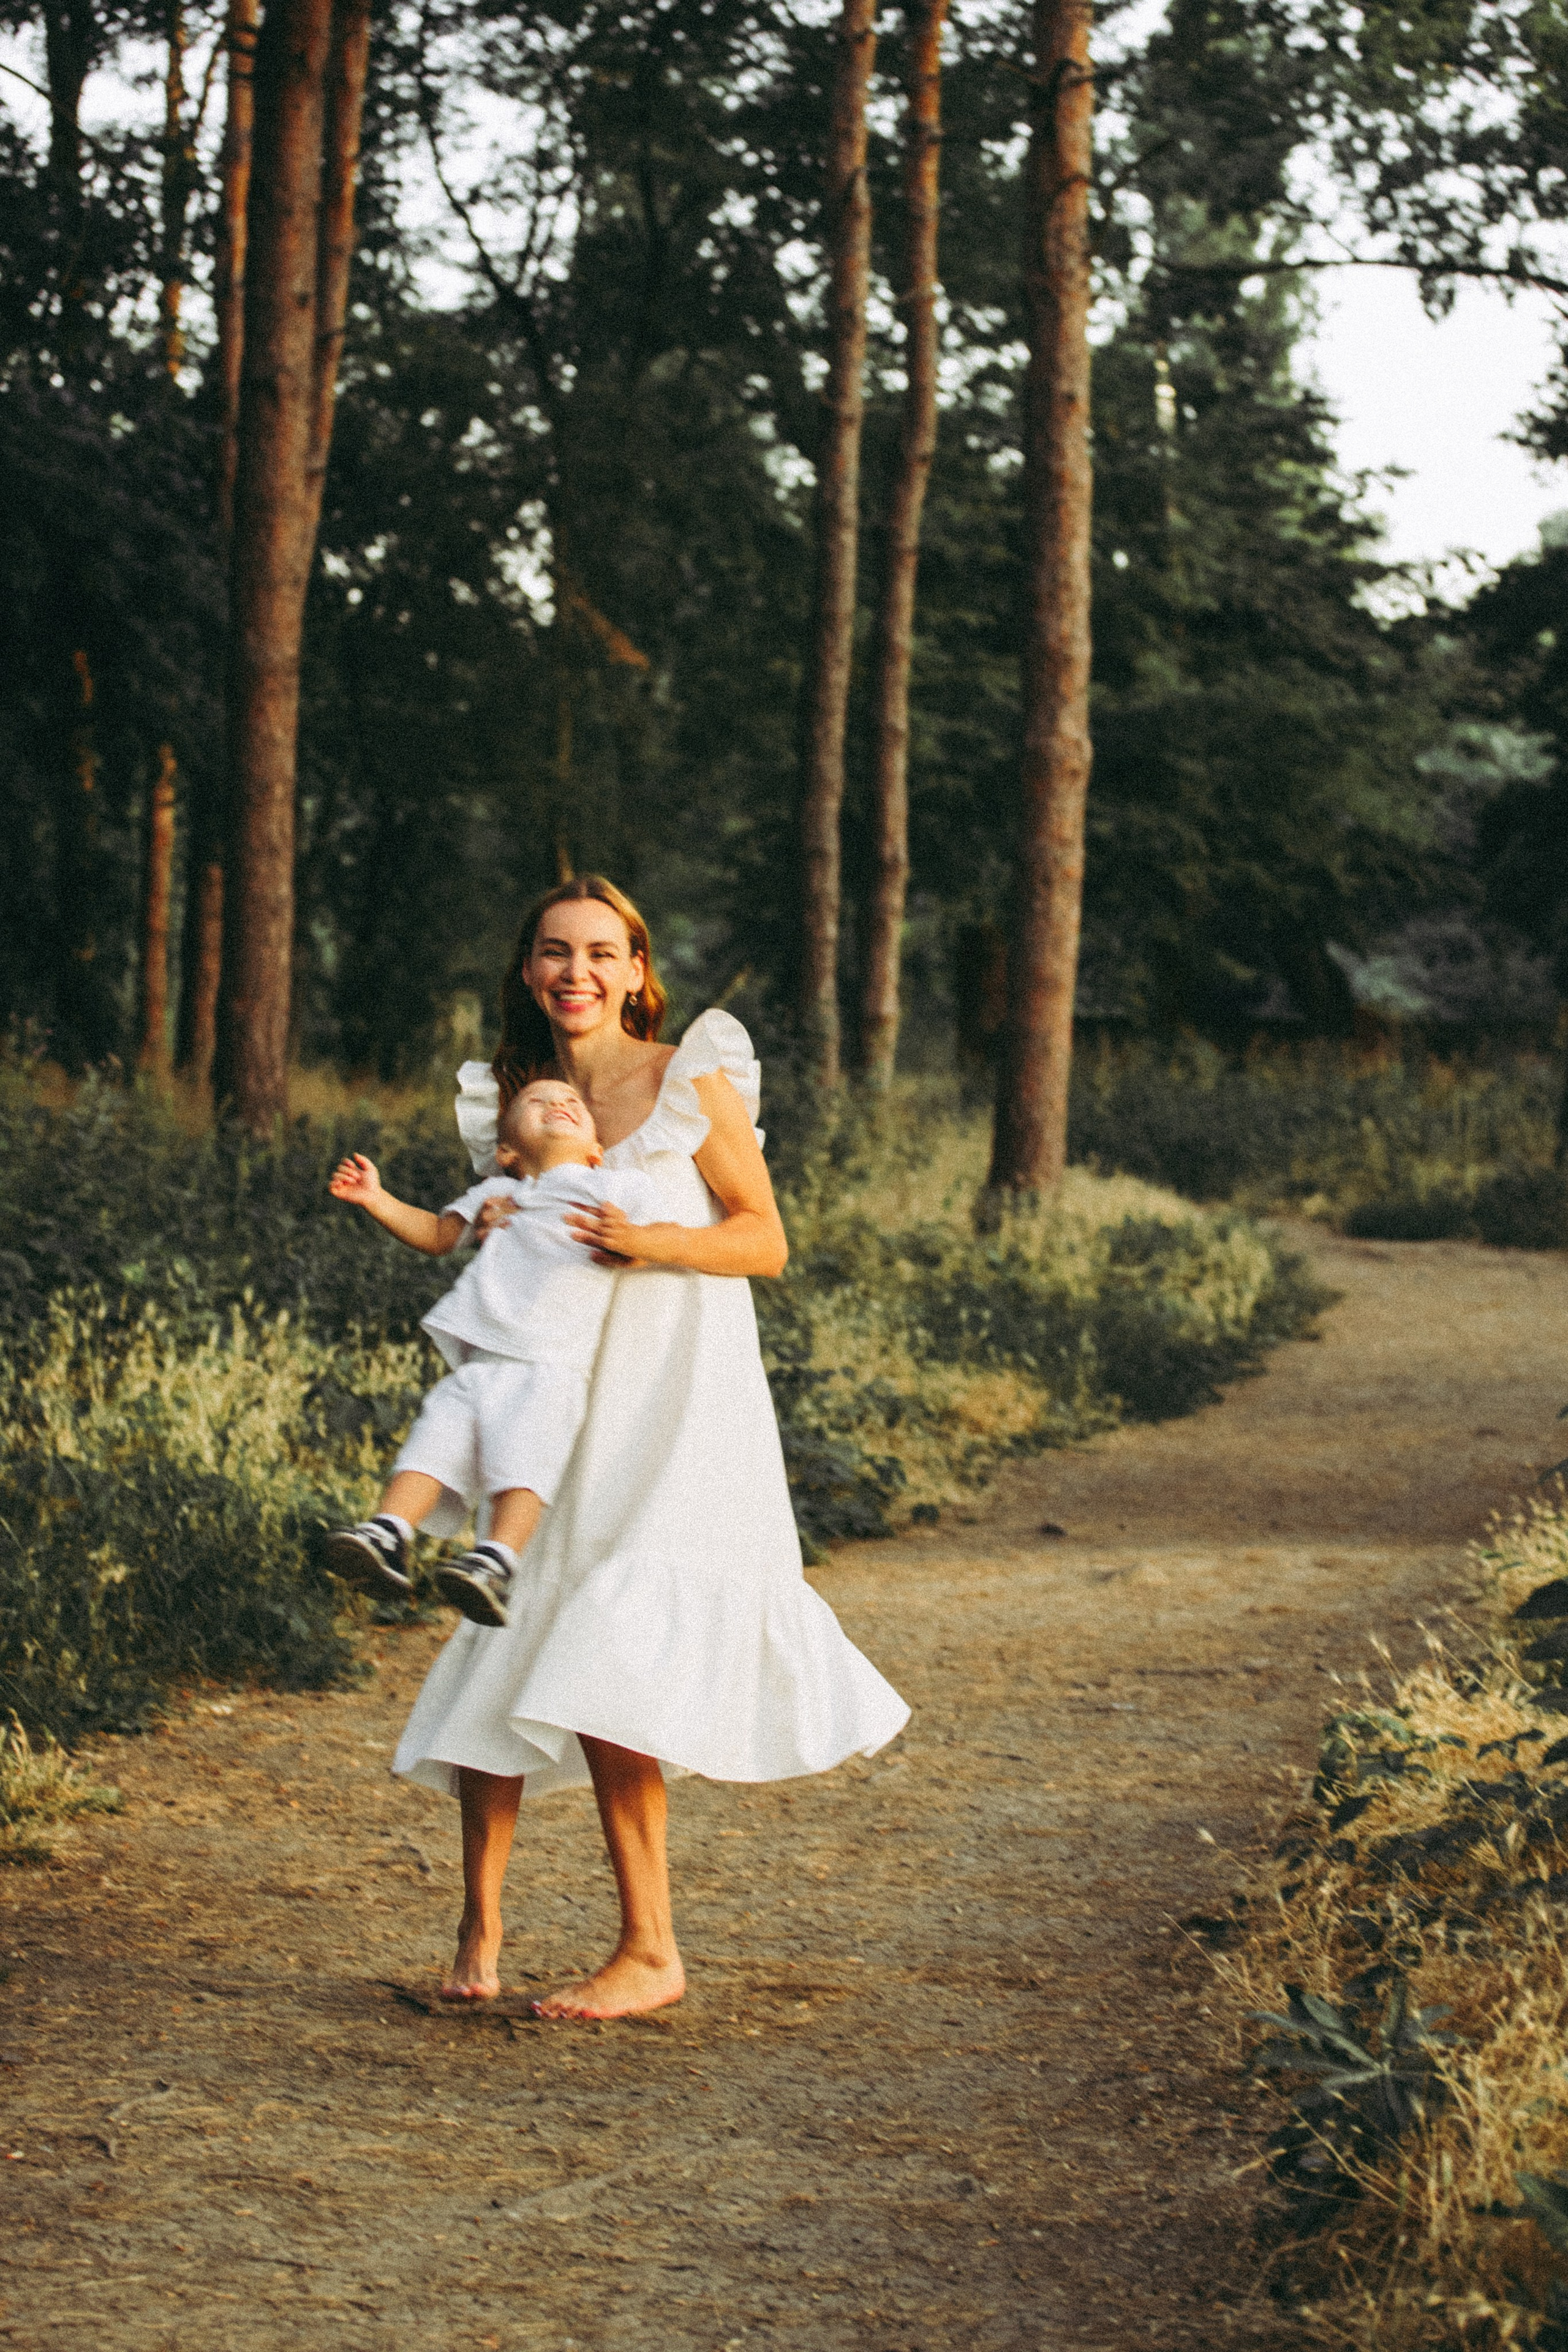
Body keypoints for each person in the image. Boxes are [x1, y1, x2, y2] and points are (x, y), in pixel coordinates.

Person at [392, 875, 910, 2019]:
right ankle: (480, 1930)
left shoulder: (690, 1078)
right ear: (528, 970)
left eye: (599, 953)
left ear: (636, 972)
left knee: (611, 1641)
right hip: (557, 1398)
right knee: (513, 1628)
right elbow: (489, 1243)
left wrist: (654, 1240)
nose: (574, 972)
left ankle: (650, 1949)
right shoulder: (519, 1104)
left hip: (677, 1402)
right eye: (553, 951)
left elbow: (765, 1240)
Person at [323, 1077, 660, 1625]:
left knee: (525, 1465)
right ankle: (387, 1534)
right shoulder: (494, 1196)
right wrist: (376, 1198)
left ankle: (498, 1560)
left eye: (572, 1102)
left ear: (597, 1149)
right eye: (537, 1102)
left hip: (549, 1362)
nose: (558, 1105)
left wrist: (631, 1247)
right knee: (432, 1444)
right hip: (478, 1363)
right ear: (506, 1150)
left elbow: (652, 1237)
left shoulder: (614, 1187)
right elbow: (437, 1235)